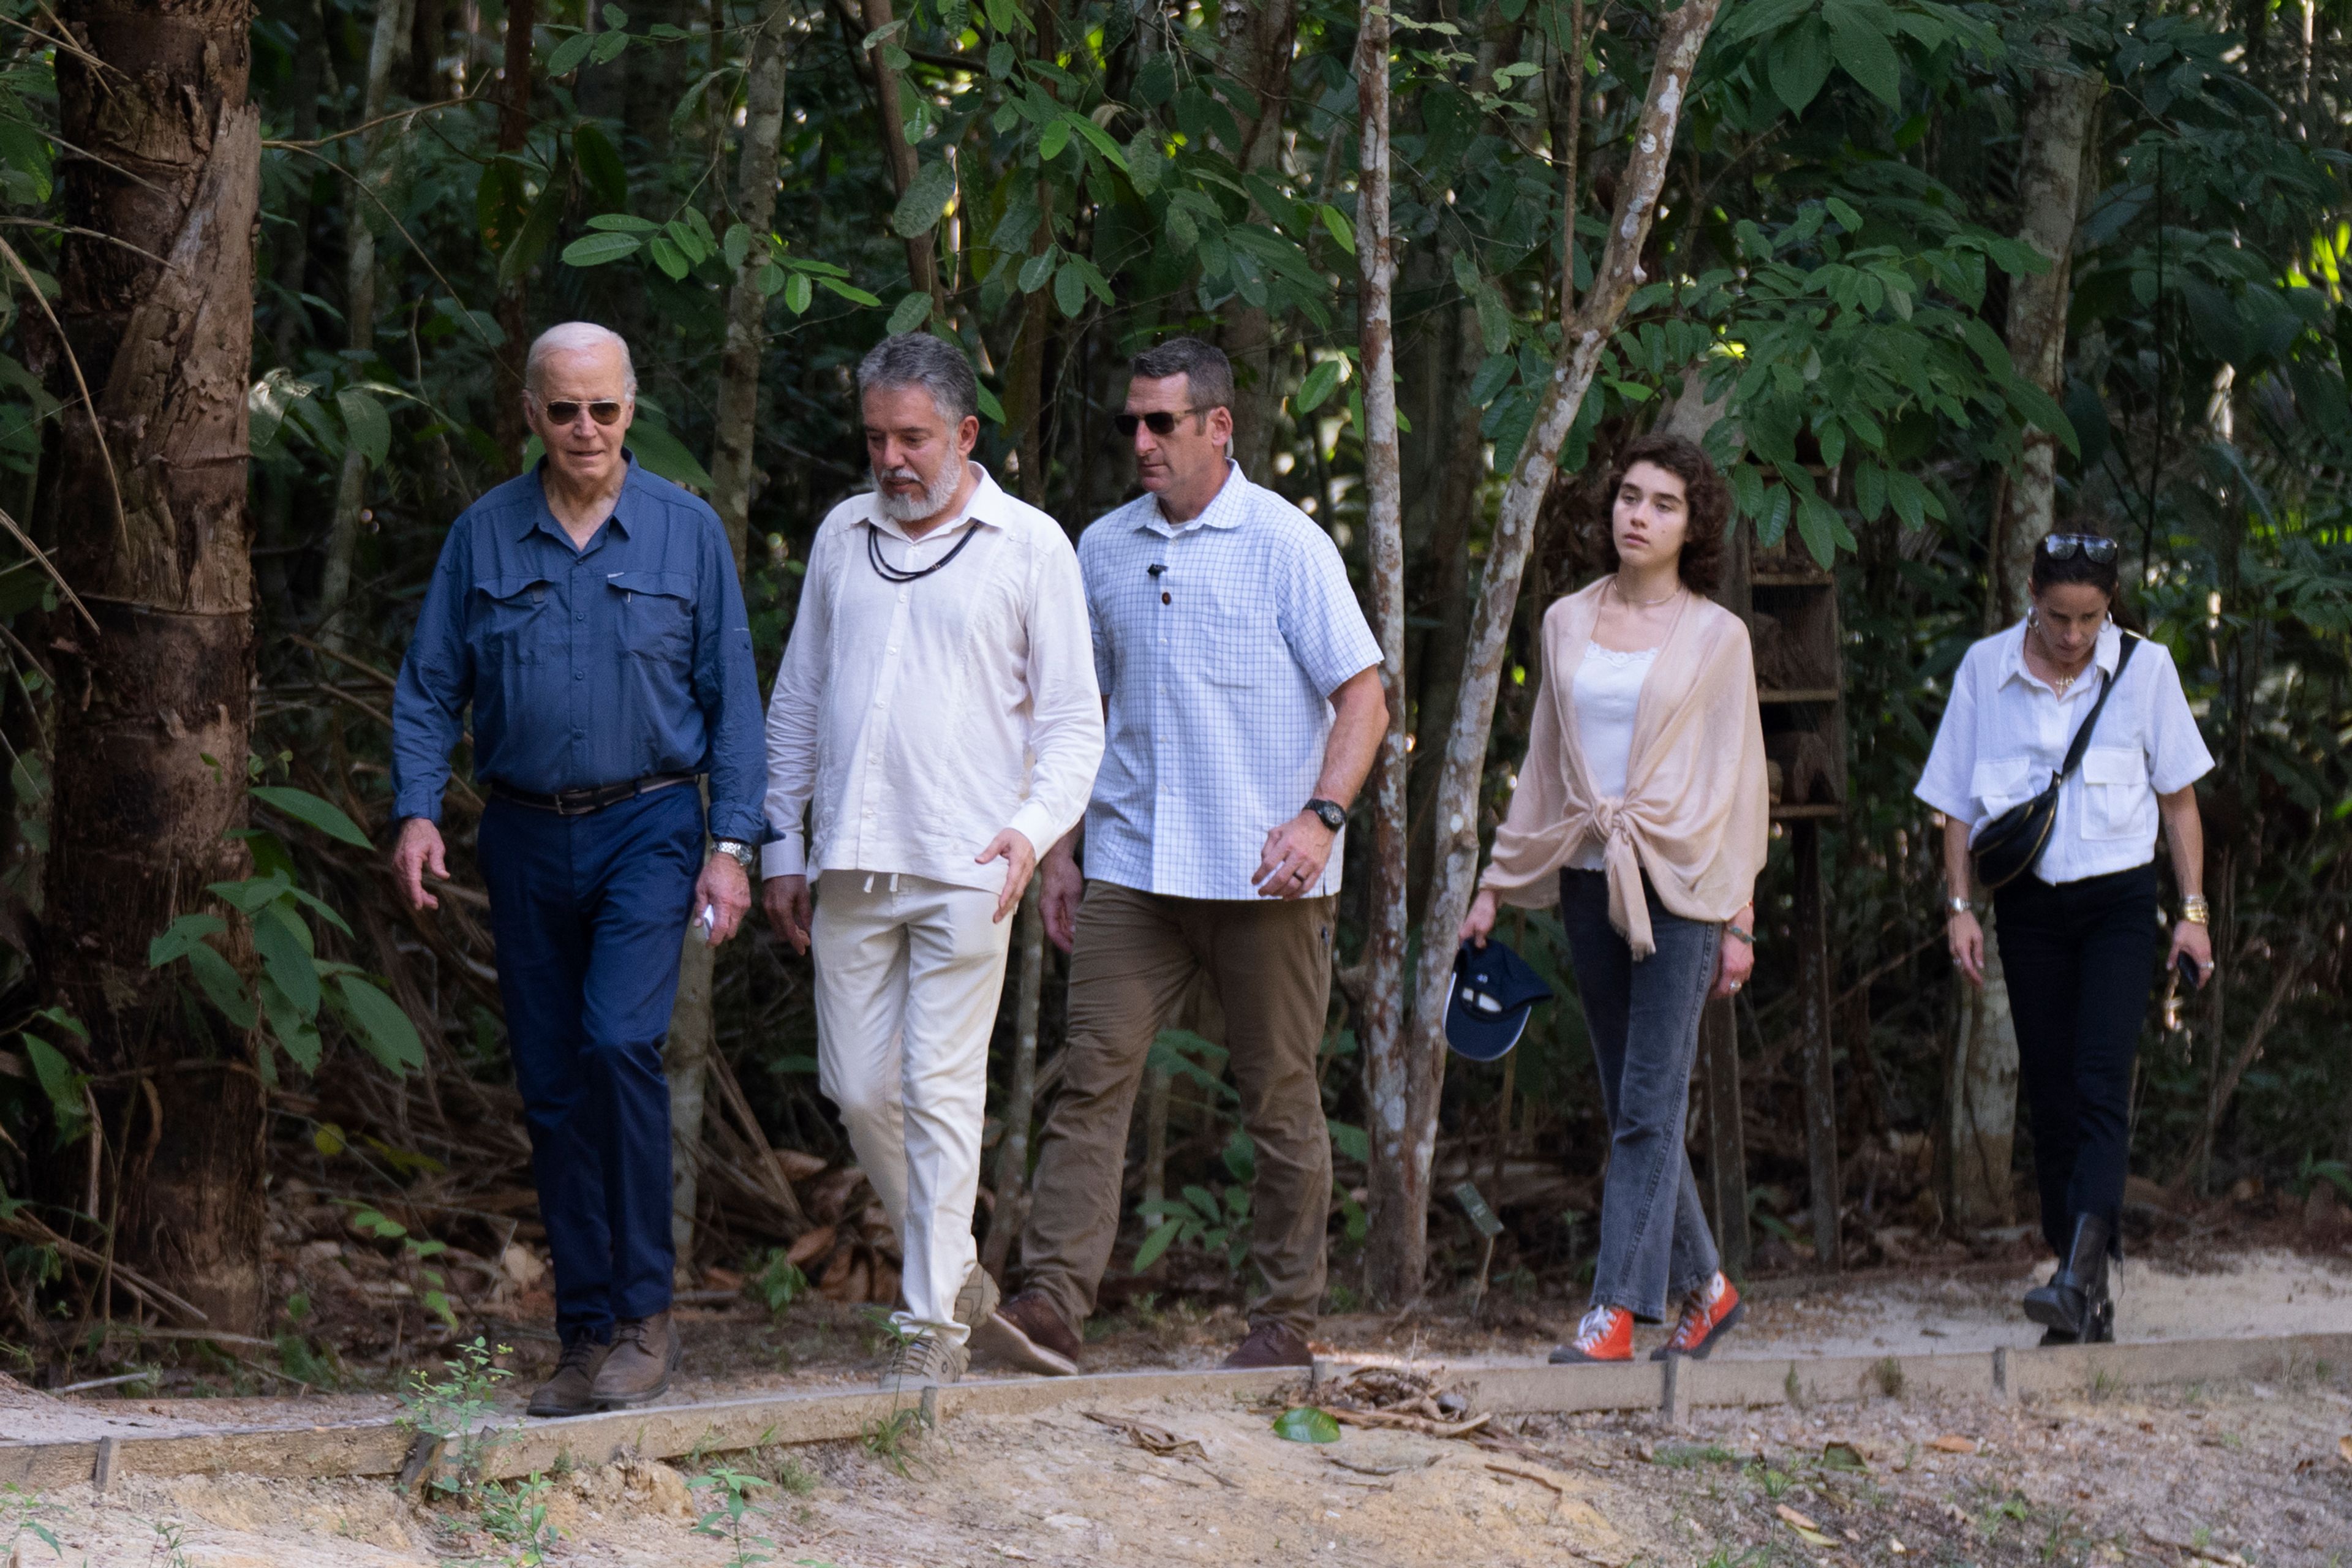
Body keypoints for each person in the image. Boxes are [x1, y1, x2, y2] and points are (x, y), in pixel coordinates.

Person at [976, 337, 1385, 1376]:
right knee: (1094, 1081)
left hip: (1266, 875)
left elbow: (1364, 698)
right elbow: (1081, 713)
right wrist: (1059, 852)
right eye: (1131, 423)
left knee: (1281, 1100)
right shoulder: (1102, 548)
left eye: (1163, 422)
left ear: (1219, 426)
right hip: (1130, 866)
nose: (1143, 441)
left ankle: (1283, 1317)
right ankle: (1054, 1304)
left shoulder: (1288, 545)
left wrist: (1319, 819)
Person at [390, 323, 763, 1416]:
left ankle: (648, 1318)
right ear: (531, 413)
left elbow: (734, 704)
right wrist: (417, 812)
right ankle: (584, 1333)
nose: (586, 430)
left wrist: (732, 849)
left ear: (632, 408)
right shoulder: (484, 534)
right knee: (552, 1089)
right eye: (565, 411)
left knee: (618, 1046)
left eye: (604, 409)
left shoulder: (688, 536)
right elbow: (426, 690)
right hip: (519, 833)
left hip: (648, 827)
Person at [761, 333, 1103, 1392]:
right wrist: (782, 839)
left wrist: (1034, 831)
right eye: (876, 438)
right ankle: (954, 1273)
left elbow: (1074, 725)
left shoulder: (1032, 545)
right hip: (853, 861)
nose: (892, 459)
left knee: (944, 1086)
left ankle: (927, 1340)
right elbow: (798, 701)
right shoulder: (838, 534)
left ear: (964, 434)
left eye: (912, 438)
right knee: (859, 1087)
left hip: (970, 859)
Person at [1460, 432, 1766, 1366]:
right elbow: (1546, 764)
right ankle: (1708, 1290)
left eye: (1663, 504)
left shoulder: (1719, 637)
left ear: (1692, 525)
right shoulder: (1564, 622)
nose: (1638, 515)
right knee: (1630, 1098)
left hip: (1683, 887)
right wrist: (1496, 882)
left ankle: (1615, 1312)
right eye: (1629, 497)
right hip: (1592, 874)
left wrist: (1741, 916)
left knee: (1648, 1101)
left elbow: (1743, 777)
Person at [1917, 530, 2214, 1344]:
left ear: (2110, 605)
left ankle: (2079, 1275)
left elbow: (2180, 802)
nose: (2074, 635)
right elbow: (1953, 804)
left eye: (2090, 618)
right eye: (2059, 617)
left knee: (2098, 1082)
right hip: (2030, 908)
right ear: (2033, 599)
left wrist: (2192, 916)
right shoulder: (1986, 668)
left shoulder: (2145, 669)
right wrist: (1958, 906)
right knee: (2050, 1097)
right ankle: (2081, 1284)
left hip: (2120, 902)